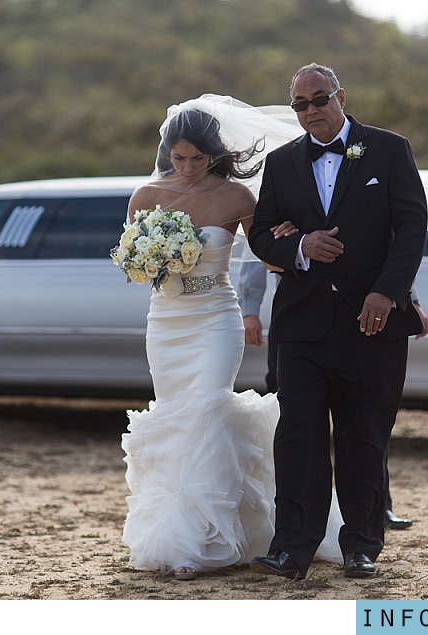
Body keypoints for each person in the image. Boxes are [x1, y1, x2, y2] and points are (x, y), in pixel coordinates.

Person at [120, 105, 345, 581]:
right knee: (174, 418)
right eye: (180, 158)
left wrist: (288, 242)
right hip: (166, 321)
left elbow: (267, 252)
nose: (188, 167)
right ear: (168, 153)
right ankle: (183, 537)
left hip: (215, 318)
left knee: (206, 411)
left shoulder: (236, 195)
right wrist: (151, 261)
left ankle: (212, 537)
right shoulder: (145, 195)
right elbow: (133, 261)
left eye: (198, 158)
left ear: (214, 154)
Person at [247, 63, 428, 580]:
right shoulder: (281, 163)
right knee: (297, 434)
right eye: (299, 105)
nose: (310, 112)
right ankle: (292, 548)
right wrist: (299, 245)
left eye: (318, 100)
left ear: (341, 97)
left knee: (363, 435)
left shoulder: (389, 150)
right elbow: (259, 233)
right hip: (302, 324)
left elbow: (411, 226)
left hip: (370, 325)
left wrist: (386, 293)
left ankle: (362, 547)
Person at [238, 261, 428, 530]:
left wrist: (412, 298)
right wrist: (250, 309)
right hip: (298, 318)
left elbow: (387, 244)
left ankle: (377, 506)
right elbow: (258, 251)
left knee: (364, 419)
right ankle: (294, 519)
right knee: (296, 423)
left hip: (357, 312)